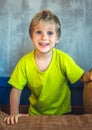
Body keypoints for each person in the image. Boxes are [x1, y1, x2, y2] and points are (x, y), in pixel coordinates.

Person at [4, 9, 92, 125]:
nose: (44, 37)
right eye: (39, 32)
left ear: (57, 38)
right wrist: (14, 112)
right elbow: (16, 90)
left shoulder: (63, 59)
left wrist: (90, 76)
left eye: (50, 33)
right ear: (31, 36)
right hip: (35, 114)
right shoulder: (24, 62)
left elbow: (82, 77)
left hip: (62, 113)